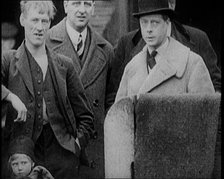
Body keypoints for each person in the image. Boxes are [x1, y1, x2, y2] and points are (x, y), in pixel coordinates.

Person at [1, 1, 95, 178]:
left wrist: (76, 145)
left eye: (44, 21)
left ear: (50, 24)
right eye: (34, 20)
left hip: (61, 157)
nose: (39, 27)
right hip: (22, 159)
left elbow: (86, 116)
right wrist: (11, 97)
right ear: (22, 20)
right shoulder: (9, 60)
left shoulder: (64, 65)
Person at [46, 0, 114, 178]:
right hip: (56, 151)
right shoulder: (45, 41)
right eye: (76, 3)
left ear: (93, 8)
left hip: (94, 153)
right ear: (66, 5)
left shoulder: (106, 50)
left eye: (87, 3)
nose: (82, 10)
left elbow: (111, 101)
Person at [111, 0, 221, 101]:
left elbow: (206, 114)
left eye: (155, 22)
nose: (149, 29)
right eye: (144, 22)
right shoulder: (131, 67)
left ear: (167, 23)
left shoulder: (192, 63)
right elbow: (119, 116)